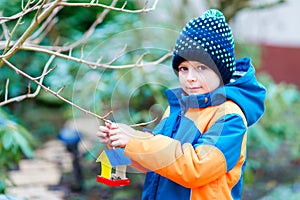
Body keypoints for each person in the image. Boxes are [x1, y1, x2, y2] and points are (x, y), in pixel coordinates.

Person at [97, 9, 266, 200]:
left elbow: (196, 168)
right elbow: (160, 164)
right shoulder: (179, 108)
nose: (190, 78)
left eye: (201, 68)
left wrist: (136, 141)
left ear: (221, 72)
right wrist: (123, 144)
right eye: (183, 68)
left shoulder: (230, 118)